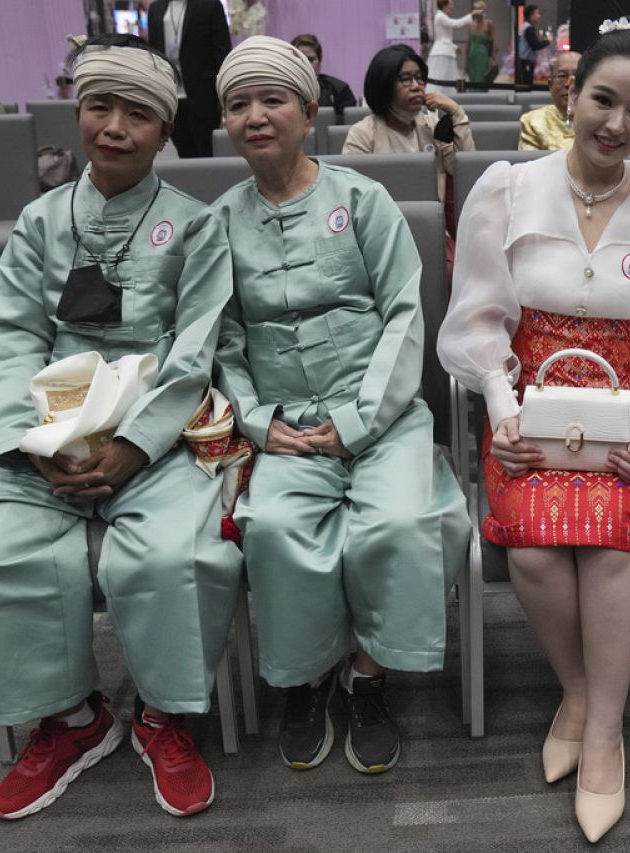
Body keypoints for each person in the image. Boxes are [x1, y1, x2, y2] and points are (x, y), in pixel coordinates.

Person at [0, 34, 242, 821]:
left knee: (178, 551)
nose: (114, 126)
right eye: (99, 106)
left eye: (137, 113)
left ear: (165, 131)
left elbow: (195, 351)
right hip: (48, 445)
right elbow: (6, 341)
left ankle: (164, 713)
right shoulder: (40, 222)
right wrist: (38, 453)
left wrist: (133, 446)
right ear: (77, 113)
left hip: (156, 440)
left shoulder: (197, 227)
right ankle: (72, 719)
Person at [439, 18, 630, 843]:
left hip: (623, 411)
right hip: (529, 408)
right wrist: (501, 406)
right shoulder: (509, 190)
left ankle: (604, 733)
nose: (615, 125)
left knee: (610, 538)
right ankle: (582, 692)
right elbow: (480, 314)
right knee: (533, 544)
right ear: (571, 93)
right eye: (602, 100)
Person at [211, 36, 470, 775]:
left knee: (398, 521)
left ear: (309, 108)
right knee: (276, 523)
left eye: (273, 99)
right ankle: (305, 675)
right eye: (238, 104)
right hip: (286, 426)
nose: (256, 116)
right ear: (225, 120)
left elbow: (404, 313)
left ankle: (365, 676)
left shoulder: (362, 199)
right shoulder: (220, 221)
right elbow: (222, 341)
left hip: (380, 415)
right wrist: (259, 423)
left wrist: (359, 420)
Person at [343, 44, 473, 207]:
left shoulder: (432, 125)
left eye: (419, 78)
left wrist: (457, 113)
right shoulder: (362, 134)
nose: (416, 86)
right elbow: (355, 195)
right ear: (384, 86)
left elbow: (464, 172)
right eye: (405, 79)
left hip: (431, 222)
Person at [147, 0, 230, 157]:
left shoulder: (210, 6)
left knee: (208, 152)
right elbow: (154, 53)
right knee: (185, 153)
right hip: (171, 94)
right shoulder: (156, 9)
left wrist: (224, 95)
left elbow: (222, 51)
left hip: (203, 94)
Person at [519, 48, 579, 150]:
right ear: (551, 85)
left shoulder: (600, 122)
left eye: (577, 76)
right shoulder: (533, 122)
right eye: (562, 76)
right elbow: (531, 164)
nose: (569, 84)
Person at [292, 33, 356, 121]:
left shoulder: (340, 90)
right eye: (300, 59)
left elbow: (348, 125)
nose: (305, 64)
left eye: (310, 59)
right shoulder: (281, 90)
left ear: (320, 61)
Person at [427, 0, 481, 95]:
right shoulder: (440, 17)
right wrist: (471, 15)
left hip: (445, 52)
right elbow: (456, 24)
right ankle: (432, 99)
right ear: (444, 5)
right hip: (442, 53)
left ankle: (445, 100)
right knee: (439, 78)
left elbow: (444, 37)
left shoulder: (441, 16)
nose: (452, 6)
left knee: (448, 79)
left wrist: (454, 47)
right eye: (451, 4)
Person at [515, 4, 549, 90]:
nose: (539, 16)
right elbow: (535, 45)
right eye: (537, 13)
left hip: (525, 60)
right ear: (531, 15)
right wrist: (546, 42)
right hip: (526, 61)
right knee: (527, 84)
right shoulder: (528, 28)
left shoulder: (525, 26)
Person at [465, 0, 496, 91]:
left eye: (479, 9)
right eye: (475, 9)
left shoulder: (489, 23)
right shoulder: (471, 24)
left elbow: (494, 41)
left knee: (483, 78)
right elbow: (469, 42)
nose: (477, 11)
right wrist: (466, 60)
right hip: (472, 54)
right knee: (472, 79)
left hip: (483, 55)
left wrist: (493, 58)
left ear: (483, 10)